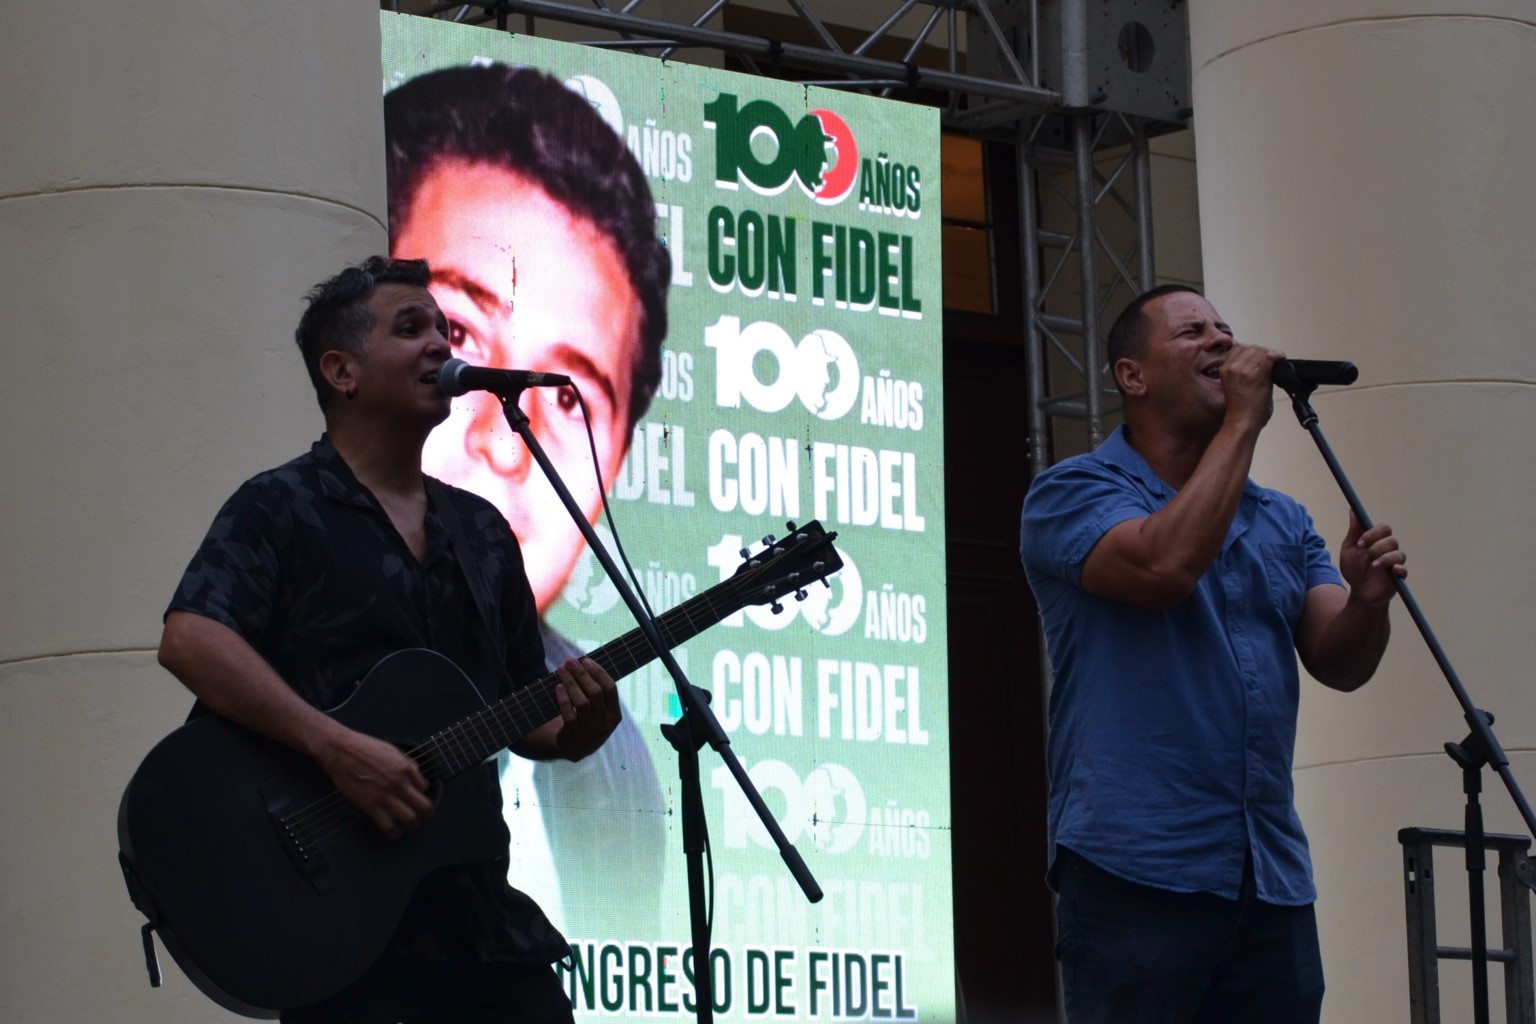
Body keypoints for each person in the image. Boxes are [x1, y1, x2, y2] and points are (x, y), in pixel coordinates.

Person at [158, 256, 622, 1022]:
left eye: (445, 328)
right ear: (340, 371)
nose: (441, 344)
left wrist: (581, 729)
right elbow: (192, 640)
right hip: (340, 916)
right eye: (412, 328)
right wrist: (336, 749)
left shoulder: (479, 531)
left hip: (475, 912)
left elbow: (524, 711)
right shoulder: (281, 507)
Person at [1019, 284, 1407, 1023]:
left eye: (1227, 329)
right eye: (1193, 332)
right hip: (1136, 872)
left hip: (1268, 878)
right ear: (1132, 376)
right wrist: (1245, 421)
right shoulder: (1070, 493)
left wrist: (1364, 602)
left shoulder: (1280, 518)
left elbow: (1341, 662)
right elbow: (1163, 569)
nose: (1221, 343)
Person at [384, 63, 671, 937]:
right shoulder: (296, 524)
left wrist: (580, 732)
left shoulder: (623, 774)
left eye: (571, 395)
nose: (506, 444)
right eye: (461, 338)